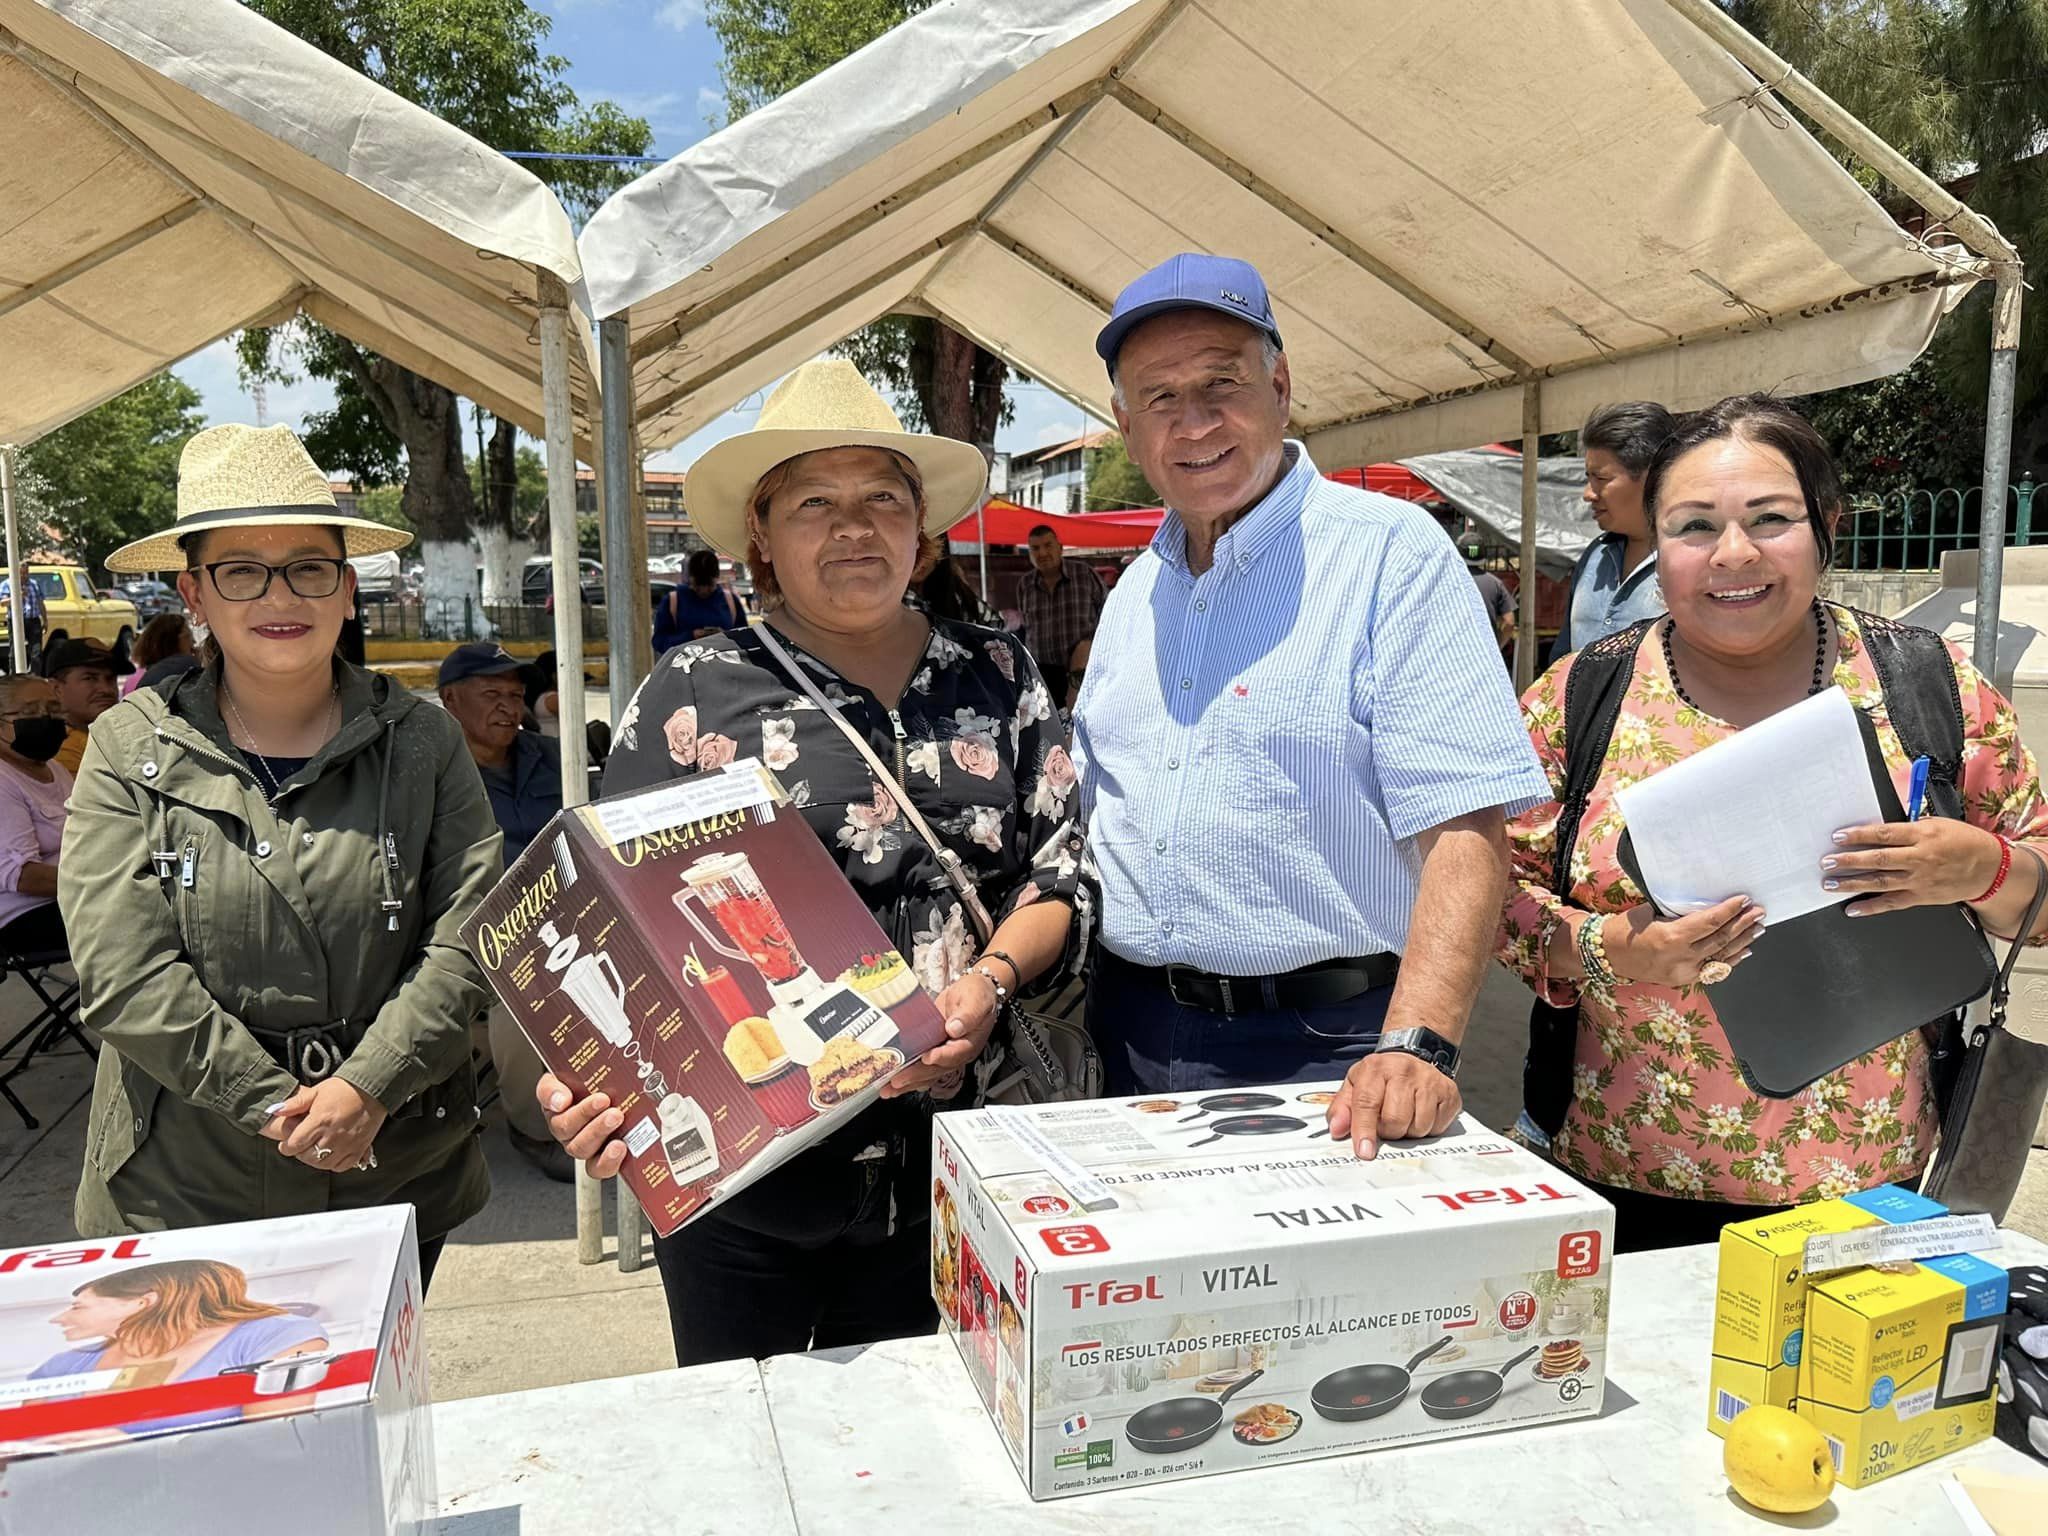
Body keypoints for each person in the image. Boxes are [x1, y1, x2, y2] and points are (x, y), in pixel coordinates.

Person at [539, 359, 1093, 1366]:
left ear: (918, 525)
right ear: (760, 531)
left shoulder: (997, 670)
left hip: (963, 1157)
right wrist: (586, 1077)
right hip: (749, 1174)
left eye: (881, 497)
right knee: (744, 1445)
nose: (852, 528)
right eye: (813, 503)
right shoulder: (693, 692)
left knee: (920, 1455)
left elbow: (1059, 869)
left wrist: (985, 981)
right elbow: (608, 920)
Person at [1496, 394, 2048, 1252]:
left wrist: (1981, 871)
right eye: (1693, 526)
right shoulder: (1579, 696)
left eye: (1771, 518)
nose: (1734, 554)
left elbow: (2042, 901)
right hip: (1625, 1180)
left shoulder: (1930, 684)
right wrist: (1616, 951)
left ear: (1825, 524)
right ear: (1653, 542)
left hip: (1877, 1185)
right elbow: (1489, 898)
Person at [1070, 253, 1550, 1157]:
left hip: (1328, 1051)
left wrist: (1418, 1042)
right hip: (1128, 1035)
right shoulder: (1133, 594)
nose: (1197, 421)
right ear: (1125, 425)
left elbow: (1464, 826)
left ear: (1281, 385)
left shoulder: (1389, 557)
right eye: (1161, 398)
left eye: (1223, 382)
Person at [61, 423, 501, 1291]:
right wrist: (275, 1105)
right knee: (203, 1423)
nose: (279, 593)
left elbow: (472, 933)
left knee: (376, 1415)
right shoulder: (126, 747)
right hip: (185, 1184)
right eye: (240, 570)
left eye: (308, 565)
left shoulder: (423, 743)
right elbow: (122, 974)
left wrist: (370, 1086)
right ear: (194, 592)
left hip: (397, 1167)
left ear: (346, 589)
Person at [436, 641, 571, 1183]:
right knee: (522, 989)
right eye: (491, 694)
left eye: (515, 695)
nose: (508, 707)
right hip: (479, 927)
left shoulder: (550, 759)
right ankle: (531, 1127)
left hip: (565, 911)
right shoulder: (432, 773)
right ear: (449, 700)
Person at [30, 1258, 328, 1434]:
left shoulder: (278, 1337)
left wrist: (127, 1450)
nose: (60, 1318)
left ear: (142, 1302)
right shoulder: (60, 1367)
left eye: (78, 1307)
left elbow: (284, 1448)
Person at [1556, 401, 1677, 656]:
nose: (1588, 494)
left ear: (1652, 477)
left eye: (1601, 479)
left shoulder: (1690, 561)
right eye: (1589, 479)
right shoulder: (1595, 556)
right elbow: (1561, 656)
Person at [0, 674, 70, 960]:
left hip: (71, 898)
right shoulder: (3, 779)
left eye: (54, 710)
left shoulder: (54, 769)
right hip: (24, 916)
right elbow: (24, 877)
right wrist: (100, 883)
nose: (45, 719)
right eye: (29, 712)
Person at [1015, 524, 1106, 705]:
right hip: (1042, 678)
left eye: (1048, 545)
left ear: (1060, 548)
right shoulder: (1024, 585)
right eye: (1035, 548)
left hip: (1083, 673)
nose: (1042, 553)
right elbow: (1024, 627)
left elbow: (1108, 615)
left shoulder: (1084, 575)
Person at [43, 636, 126, 777]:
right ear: (56, 688)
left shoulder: (105, 736)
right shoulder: (58, 749)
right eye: (90, 678)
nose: (106, 689)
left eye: (110, 679)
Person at [653, 549, 746, 653]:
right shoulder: (673, 601)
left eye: (709, 585)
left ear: (717, 579)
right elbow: (659, 642)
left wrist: (725, 636)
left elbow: (745, 639)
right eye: (698, 585)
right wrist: (691, 636)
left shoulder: (730, 601)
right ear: (690, 579)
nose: (703, 590)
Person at [913, 551, 999, 627]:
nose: (920, 559)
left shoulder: (956, 593)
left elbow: (995, 621)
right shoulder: (906, 599)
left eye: (928, 548)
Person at [122, 614, 195, 697]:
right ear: (173, 640)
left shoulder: (135, 678)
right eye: (188, 635)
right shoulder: (183, 671)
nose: (193, 642)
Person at [1, 570, 47, 674]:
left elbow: (40, 602)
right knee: (15, 650)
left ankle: (35, 677)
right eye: (22, 573)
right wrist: (18, 596)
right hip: (16, 621)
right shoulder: (7, 584)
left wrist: (45, 619)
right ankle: (14, 676)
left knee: (36, 651)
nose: (24, 575)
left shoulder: (34, 584)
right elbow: (3, 603)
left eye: (26, 572)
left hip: (33, 620)